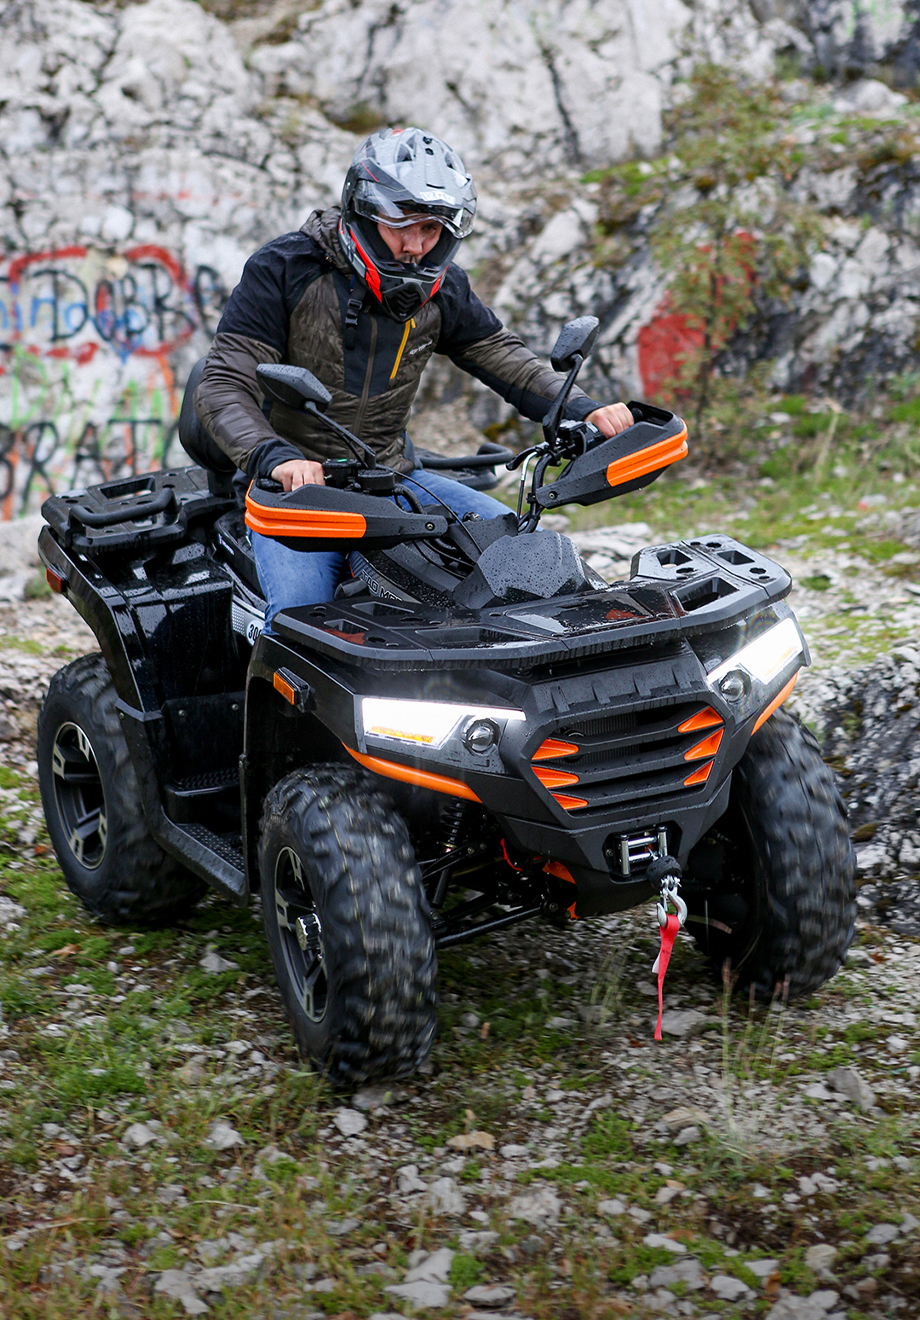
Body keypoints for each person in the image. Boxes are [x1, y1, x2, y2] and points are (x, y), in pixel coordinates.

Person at [194, 126, 634, 622]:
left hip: (393, 477)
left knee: (527, 559)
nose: (416, 246)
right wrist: (278, 459)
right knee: (301, 619)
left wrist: (583, 408)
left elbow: (503, 356)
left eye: (431, 230)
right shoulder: (285, 269)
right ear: (364, 214)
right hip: (296, 492)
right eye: (400, 225)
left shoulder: (443, 289)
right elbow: (223, 384)